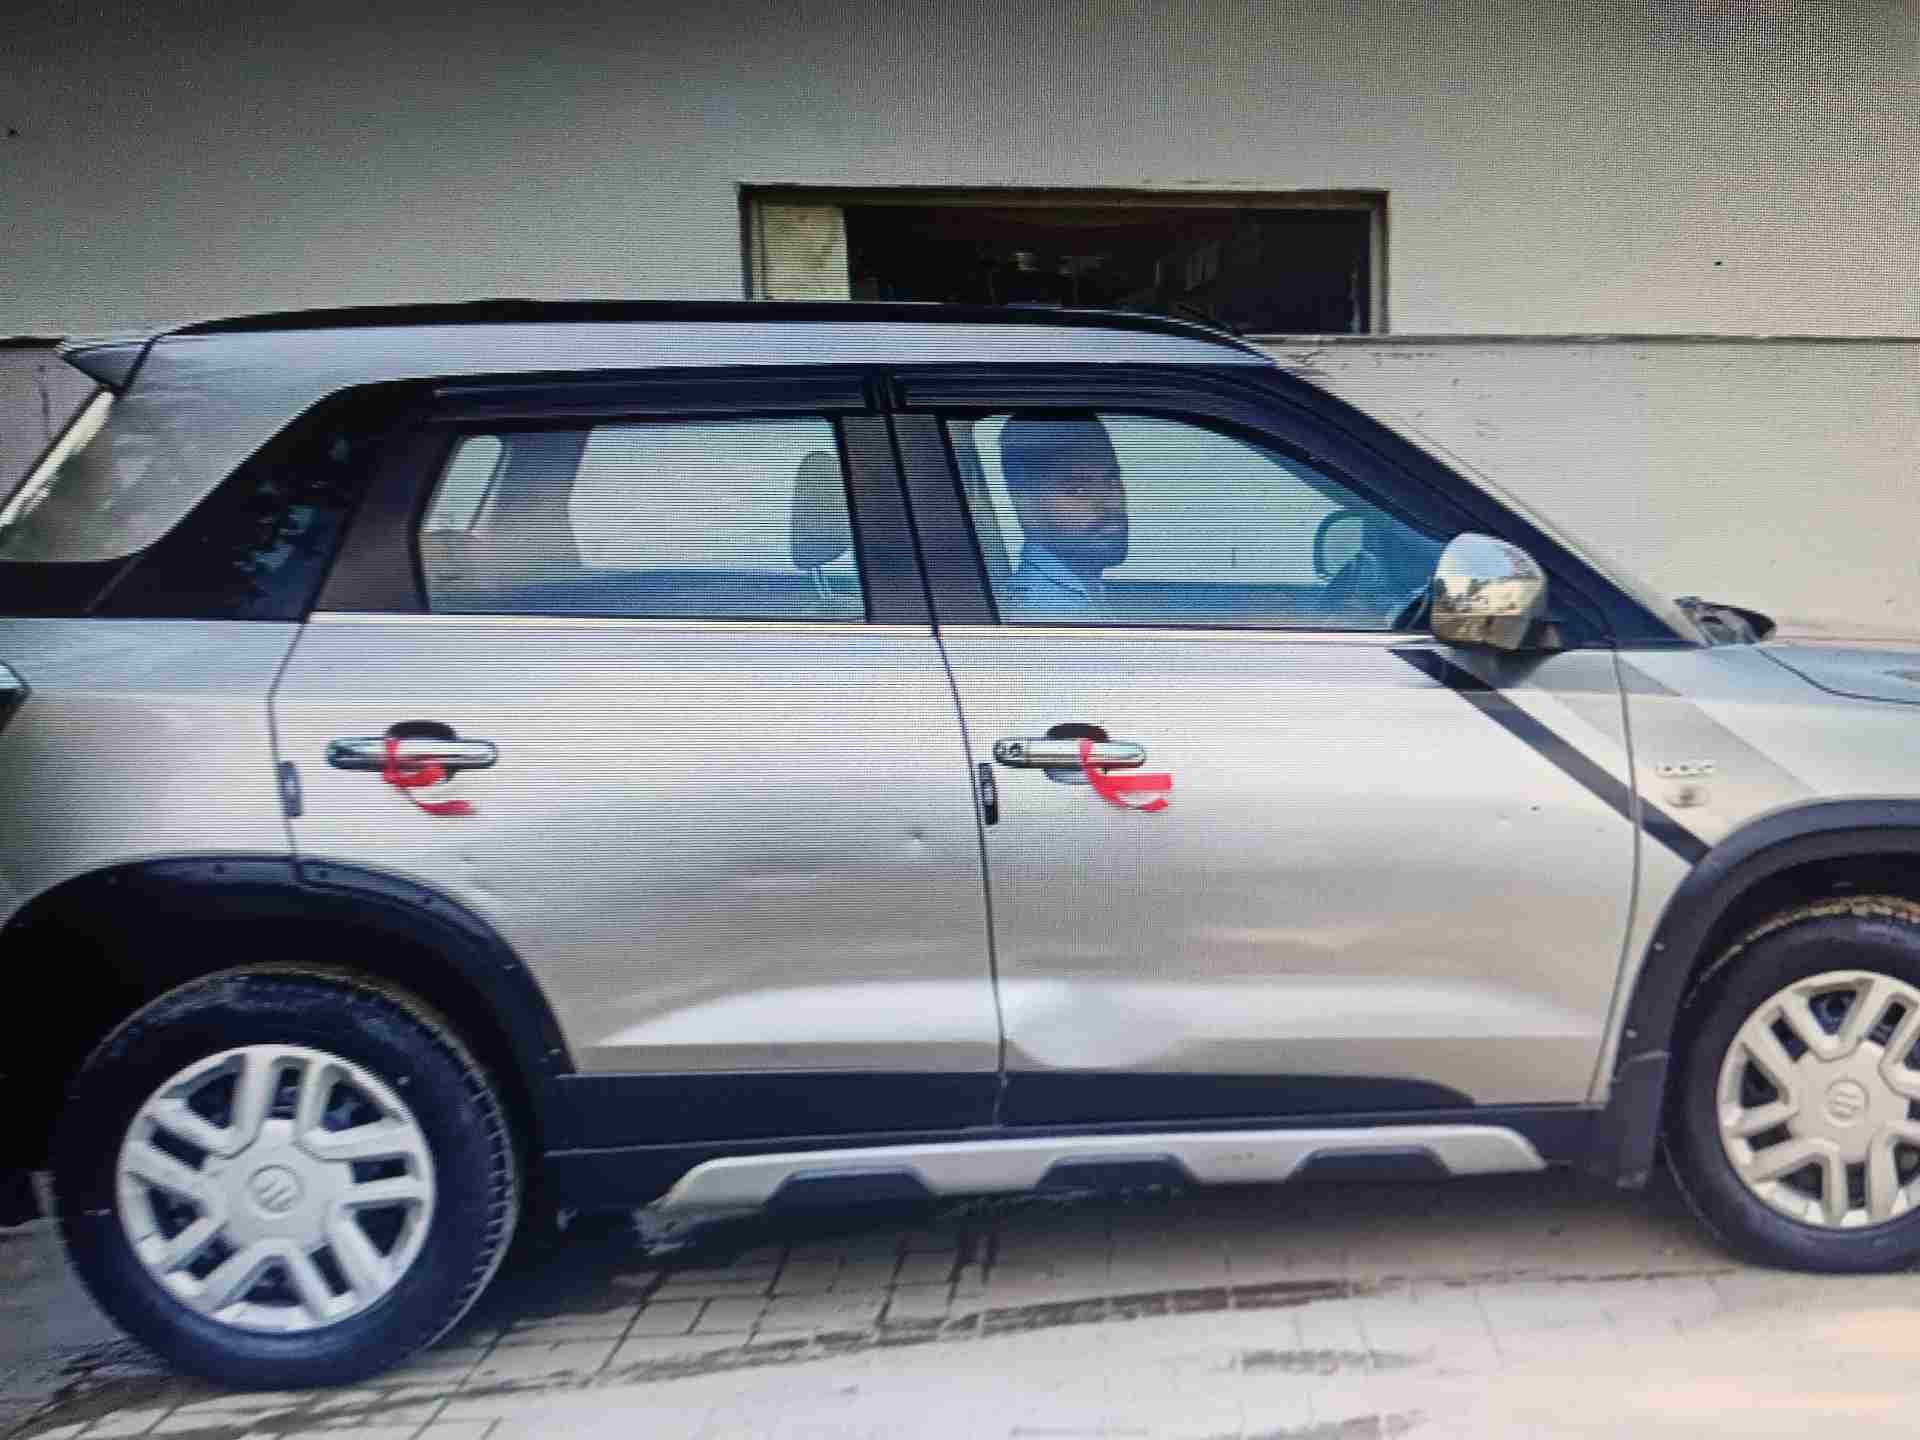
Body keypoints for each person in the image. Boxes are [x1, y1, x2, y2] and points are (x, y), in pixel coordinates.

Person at [998, 412, 1128, 619]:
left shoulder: (1080, 596)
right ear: (1027, 506)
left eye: (1111, 481)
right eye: (1078, 490)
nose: (1109, 504)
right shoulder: (1043, 614)